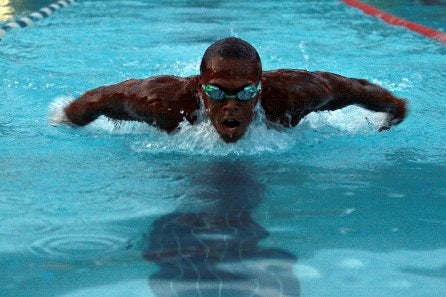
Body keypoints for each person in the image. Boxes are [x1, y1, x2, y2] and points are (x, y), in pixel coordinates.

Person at [57, 37, 407, 143]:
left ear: (260, 87)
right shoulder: (164, 103)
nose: (230, 105)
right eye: (218, 92)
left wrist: (392, 107)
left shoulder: (291, 97)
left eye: (244, 93)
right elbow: (95, 101)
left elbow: (351, 89)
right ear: (199, 87)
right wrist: (66, 120)